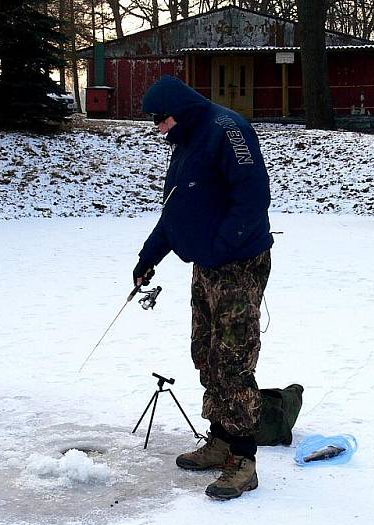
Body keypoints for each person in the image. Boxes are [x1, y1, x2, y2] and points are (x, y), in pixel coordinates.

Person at [133, 75, 273, 500]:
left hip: (236, 262)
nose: (159, 129)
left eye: (162, 120)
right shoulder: (186, 141)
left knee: (232, 358)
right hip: (208, 265)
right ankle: (220, 440)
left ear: (182, 110)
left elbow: (253, 199)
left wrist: (220, 247)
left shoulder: (228, 131)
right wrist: (148, 257)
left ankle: (243, 461)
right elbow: (177, 209)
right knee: (206, 352)